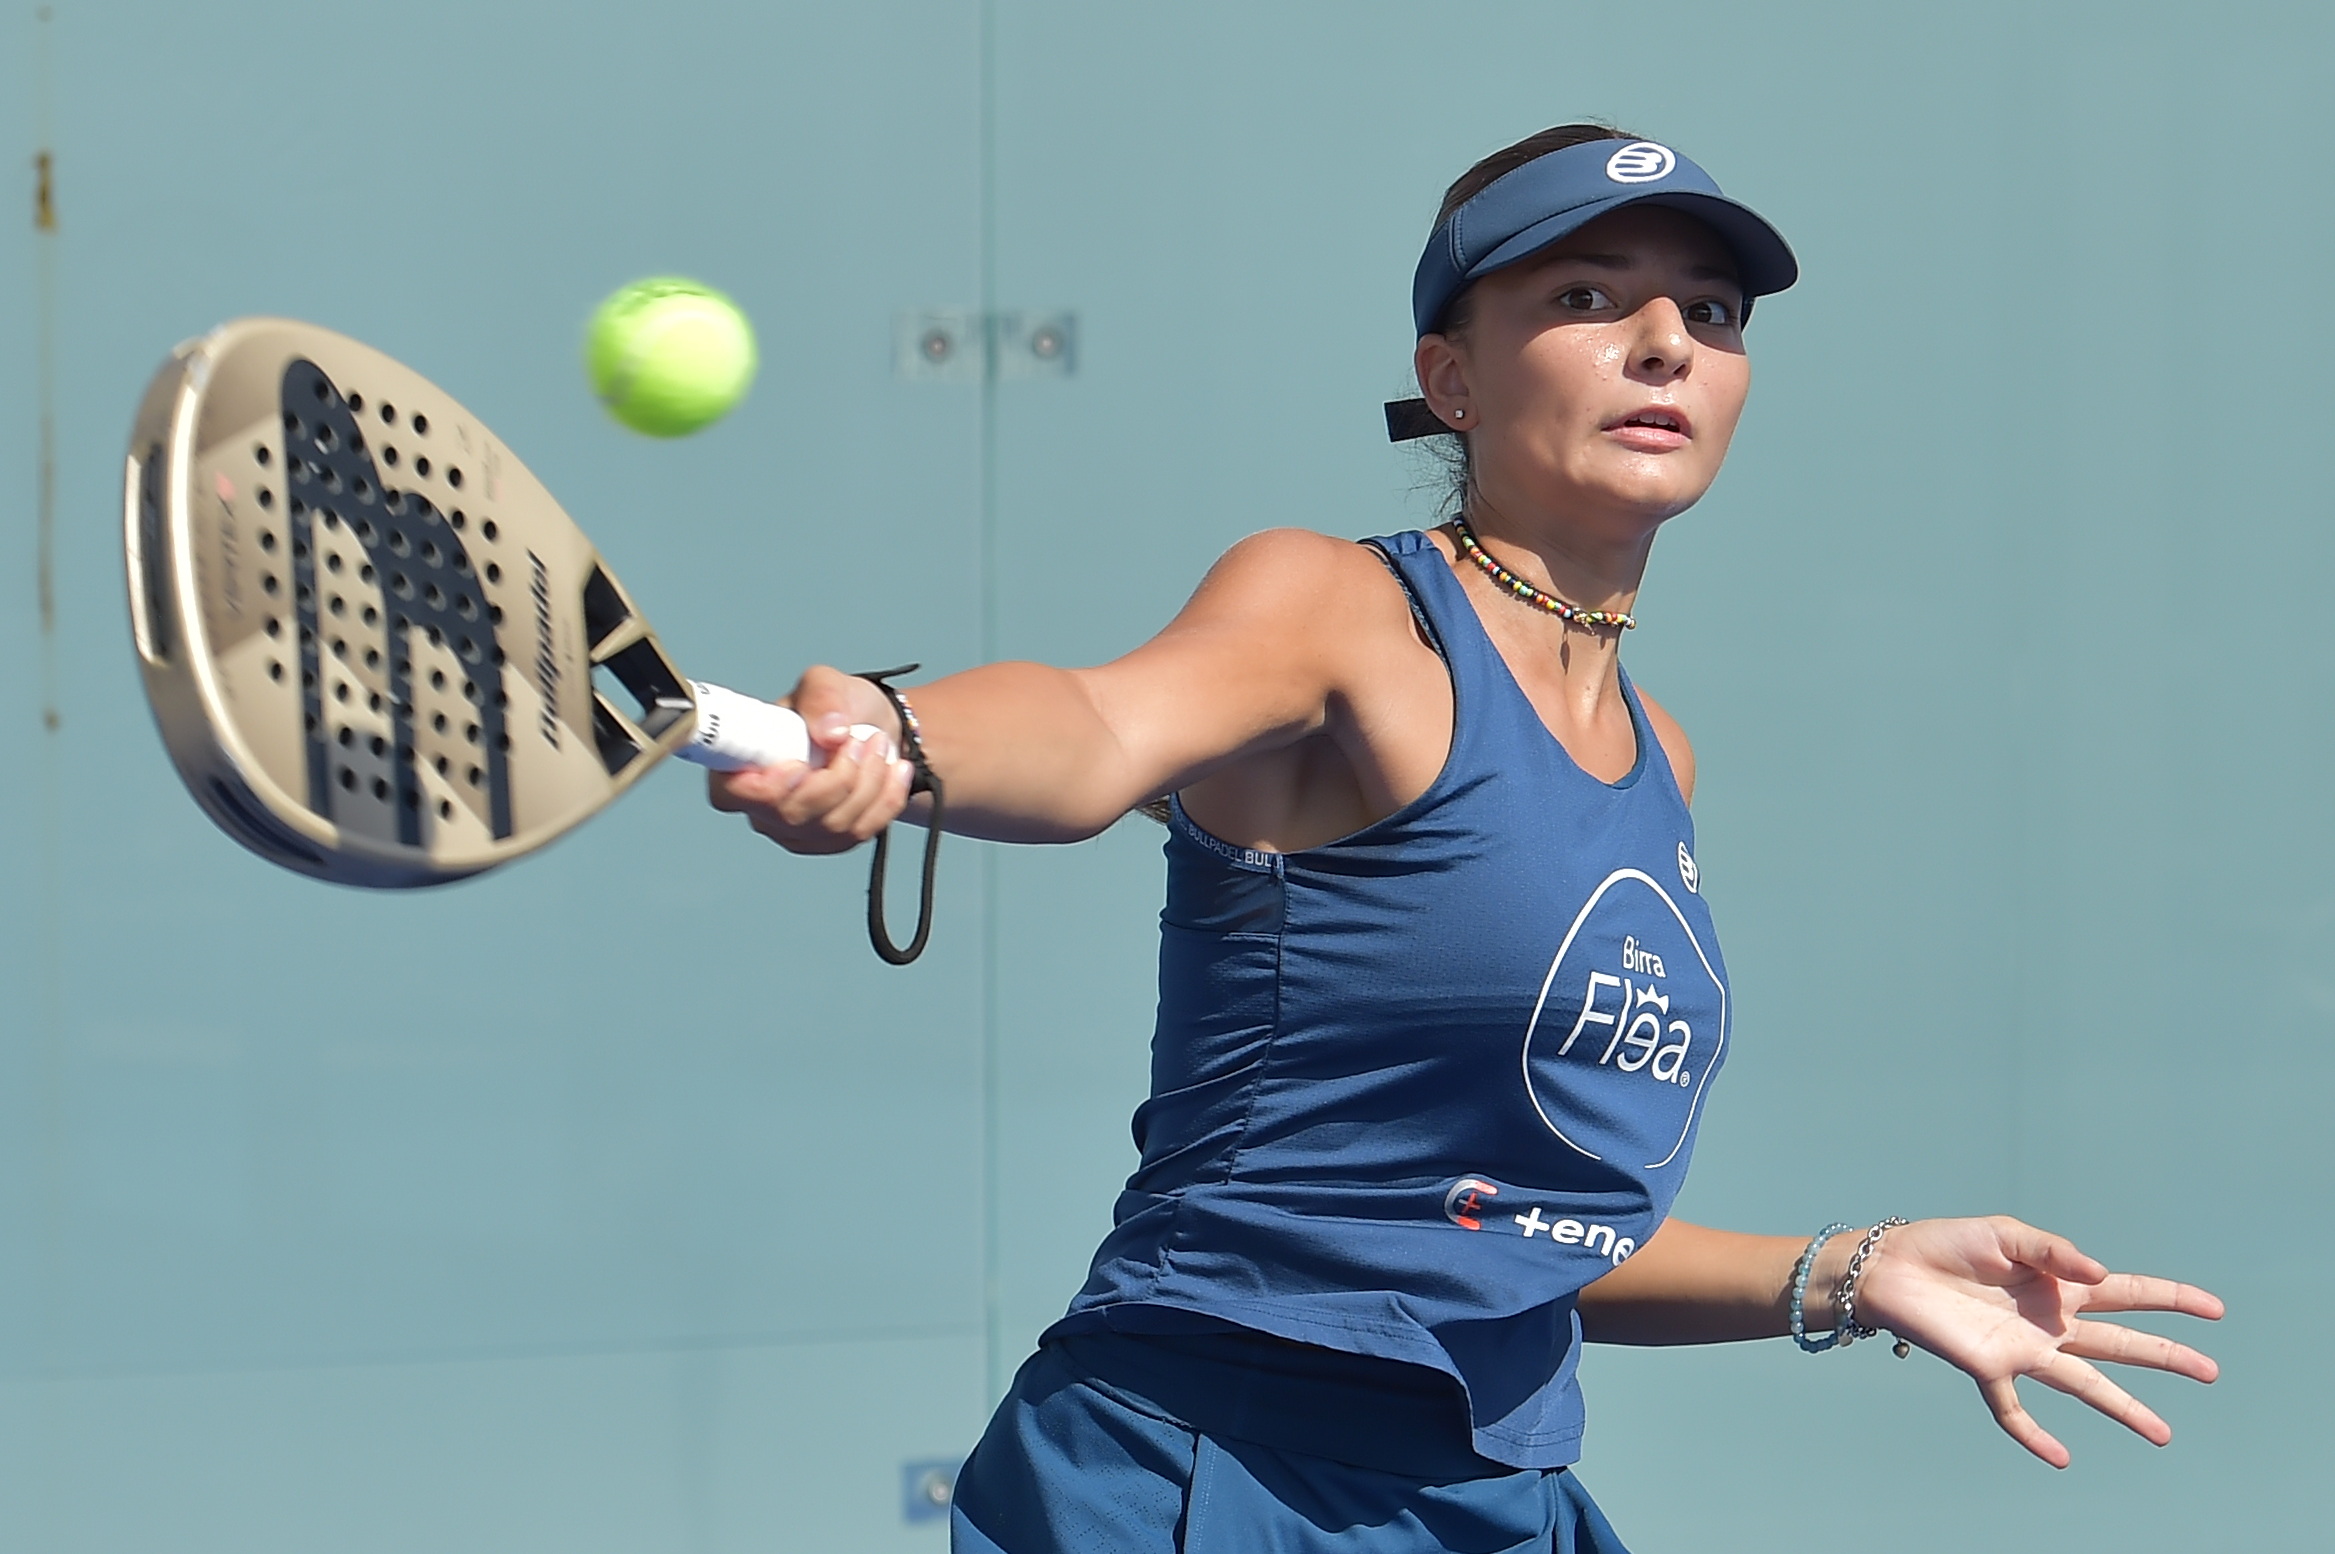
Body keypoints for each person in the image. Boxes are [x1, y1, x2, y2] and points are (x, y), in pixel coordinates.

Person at [708, 124, 2223, 1553]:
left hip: (1499, 1491)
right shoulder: (1341, 612)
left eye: (1710, 311)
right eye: (1586, 298)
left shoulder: (1662, 756)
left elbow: (1522, 1231)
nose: (1665, 342)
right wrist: (902, 739)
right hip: (1213, 1467)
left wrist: (1851, 1271)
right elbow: (1101, 727)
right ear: (1453, 380)